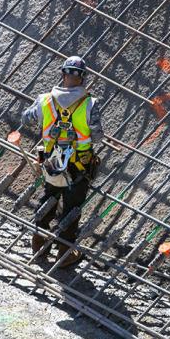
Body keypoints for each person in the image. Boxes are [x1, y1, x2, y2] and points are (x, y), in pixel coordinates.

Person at [21, 56, 103, 269]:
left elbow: (26, 119)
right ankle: (65, 253)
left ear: (62, 74)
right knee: (72, 207)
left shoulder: (45, 100)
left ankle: (38, 242)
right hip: (79, 165)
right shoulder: (90, 104)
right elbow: (97, 136)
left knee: (49, 197)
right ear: (82, 78)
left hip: (52, 162)